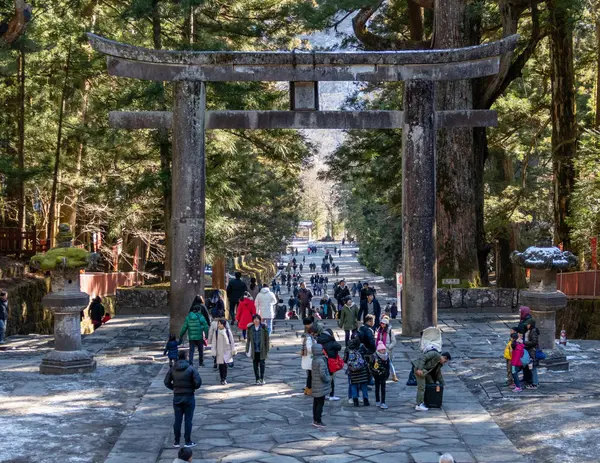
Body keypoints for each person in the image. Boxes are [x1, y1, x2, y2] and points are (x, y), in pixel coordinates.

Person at [164, 350, 202, 448]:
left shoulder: (172, 369)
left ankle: (176, 441)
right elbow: (198, 383)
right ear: (186, 357)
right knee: (188, 420)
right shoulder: (191, 369)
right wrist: (192, 387)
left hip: (177, 397)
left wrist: (174, 388)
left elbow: (166, 382)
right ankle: (187, 441)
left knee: (177, 420)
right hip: (189, 396)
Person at [315, 326, 342, 401]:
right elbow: (339, 347)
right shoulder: (332, 341)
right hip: (331, 362)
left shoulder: (319, 340)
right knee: (332, 379)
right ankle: (331, 395)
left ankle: (324, 394)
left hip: (322, 362)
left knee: (324, 378)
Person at [179, 302, 210, 368]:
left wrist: (181, 335)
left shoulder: (188, 317)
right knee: (200, 350)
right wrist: (206, 336)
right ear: (199, 310)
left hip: (191, 337)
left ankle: (191, 362)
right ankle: (201, 362)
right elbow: (206, 327)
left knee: (191, 350)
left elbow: (184, 327)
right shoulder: (201, 317)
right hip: (199, 337)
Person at [311, 341, 331, 428]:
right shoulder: (321, 361)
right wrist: (328, 379)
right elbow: (322, 374)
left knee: (315, 402)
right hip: (321, 385)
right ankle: (318, 420)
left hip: (315, 384)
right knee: (320, 403)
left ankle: (315, 419)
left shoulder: (314, 360)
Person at [345, 336, 369, 406]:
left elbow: (345, 359)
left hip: (352, 371)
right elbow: (367, 353)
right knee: (364, 385)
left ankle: (355, 401)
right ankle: (365, 400)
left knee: (353, 385)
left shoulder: (348, 348)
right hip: (362, 370)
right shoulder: (362, 347)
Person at [246, 314, 270, 385]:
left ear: (260, 320)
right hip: (254, 349)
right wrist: (247, 349)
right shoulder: (250, 328)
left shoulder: (263, 328)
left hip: (262, 349)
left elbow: (267, 339)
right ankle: (257, 379)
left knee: (262, 364)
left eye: (257, 319)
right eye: (255, 319)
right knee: (255, 364)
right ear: (253, 320)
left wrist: (267, 349)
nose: (256, 320)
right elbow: (248, 340)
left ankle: (262, 378)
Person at [211, 319, 236, 385]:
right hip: (219, 351)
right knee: (221, 366)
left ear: (223, 325)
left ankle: (224, 378)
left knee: (225, 365)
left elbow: (232, 341)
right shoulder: (216, 332)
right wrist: (213, 351)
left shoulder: (227, 331)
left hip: (227, 351)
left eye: (220, 324)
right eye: (218, 324)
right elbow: (214, 342)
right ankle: (222, 378)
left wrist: (233, 349)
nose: (219, 325)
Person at [375, 317, 398, 382]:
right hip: (380, 349)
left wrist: (389, 347)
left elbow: (394, 341)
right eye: (381, 323)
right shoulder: (379, 331)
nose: (382, 324)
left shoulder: (390, 331)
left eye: (383, 323)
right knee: (380, 363)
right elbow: (377, 340)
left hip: (387, 350)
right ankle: (380, 375)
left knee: (390, 362)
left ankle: (394, 376)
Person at [371, 341, 391, 409]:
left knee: (383, 388)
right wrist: (376, 372)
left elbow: (388, 366)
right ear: (378, 350)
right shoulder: (375, 357)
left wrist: (387, 374)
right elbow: (372, 366)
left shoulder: (387, 356)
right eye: (381, 350)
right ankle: (377, 400)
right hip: (377, 375)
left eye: (384, 349)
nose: (383, 351)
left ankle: (383, 402)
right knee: (377, 388)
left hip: (384, 375)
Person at [523, 319, 540, 389]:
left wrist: (524, 343)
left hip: (532, 352)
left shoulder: (533, 331)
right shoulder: (529, 331)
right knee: (531, 367)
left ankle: (535, 383)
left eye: (528, 324)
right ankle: (532, 381)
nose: (527, 325)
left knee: (533, 367)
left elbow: (534, 342)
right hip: (529, 351)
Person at [301, 317, 314, 395]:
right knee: (310, 375)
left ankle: (307, 388)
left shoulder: (305, 336)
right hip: (310, 358)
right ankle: (309, 389)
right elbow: (309, 349)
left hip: (307, 358)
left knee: (309, 374)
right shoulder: (308, 338)